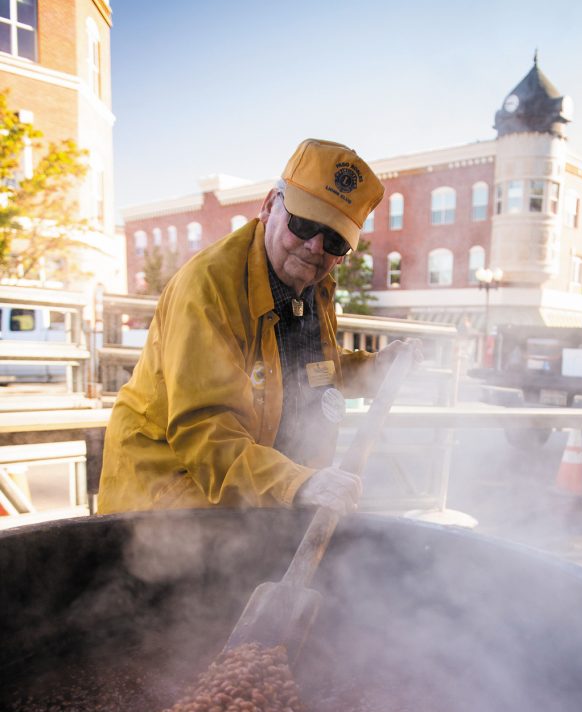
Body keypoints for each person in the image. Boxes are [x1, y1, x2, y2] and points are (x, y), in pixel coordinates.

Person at [97, 137, 418, 516]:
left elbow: (310, 370)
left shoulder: (315, 286)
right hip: (166, 505)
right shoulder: (208, 288)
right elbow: (206, 432)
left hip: (258, 497)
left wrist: (375, 369)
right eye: (303, 224)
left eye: (334, 240)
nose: (315, 247)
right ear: (269, 206)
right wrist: (298, 483)